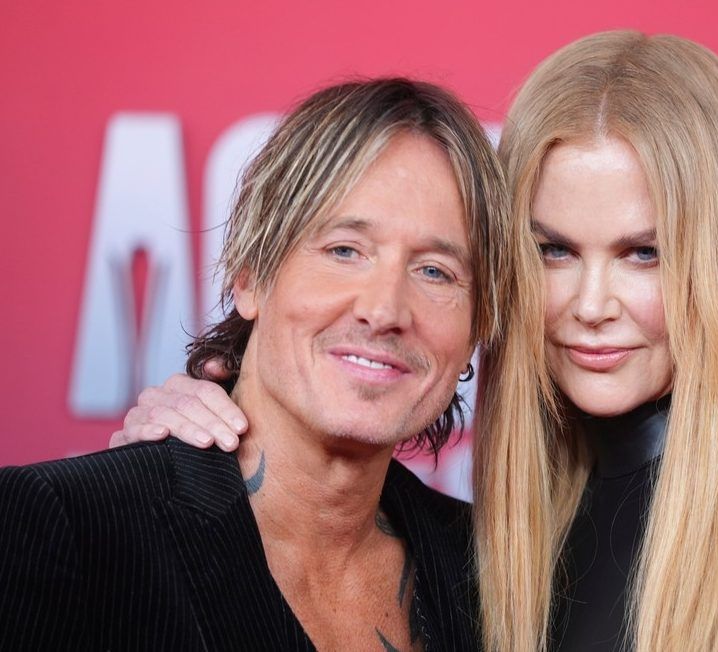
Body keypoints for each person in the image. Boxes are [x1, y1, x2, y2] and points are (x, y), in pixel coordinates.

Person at [113, 32, 718, 651]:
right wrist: (190, 440)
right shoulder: (511, 514)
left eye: (645, 252)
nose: (591, 305)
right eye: (554, 252)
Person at [0, 78, 521, 651]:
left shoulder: (494, 574)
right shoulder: (64, 525)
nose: (384, 310)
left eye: (435, 272)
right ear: (250, 274)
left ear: (478, 324)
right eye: (345, 251)